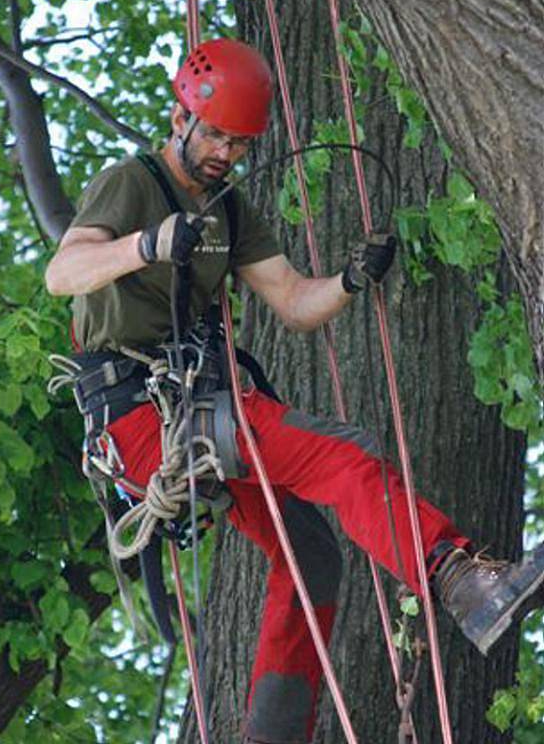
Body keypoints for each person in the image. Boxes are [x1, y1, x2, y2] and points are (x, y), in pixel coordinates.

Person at [45, 38, 544, 744]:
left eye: (240, 143)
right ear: (180, 115)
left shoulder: (231, 209)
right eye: (214, 133)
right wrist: (148, 245)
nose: (224, 152)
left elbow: (291, 301)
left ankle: (272, 735)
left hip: (197, 414)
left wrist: (348, 279)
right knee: (341, 455)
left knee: (310, 552)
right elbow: (62, 273)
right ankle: (461, 580)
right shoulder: (134, 183)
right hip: (142, 414)